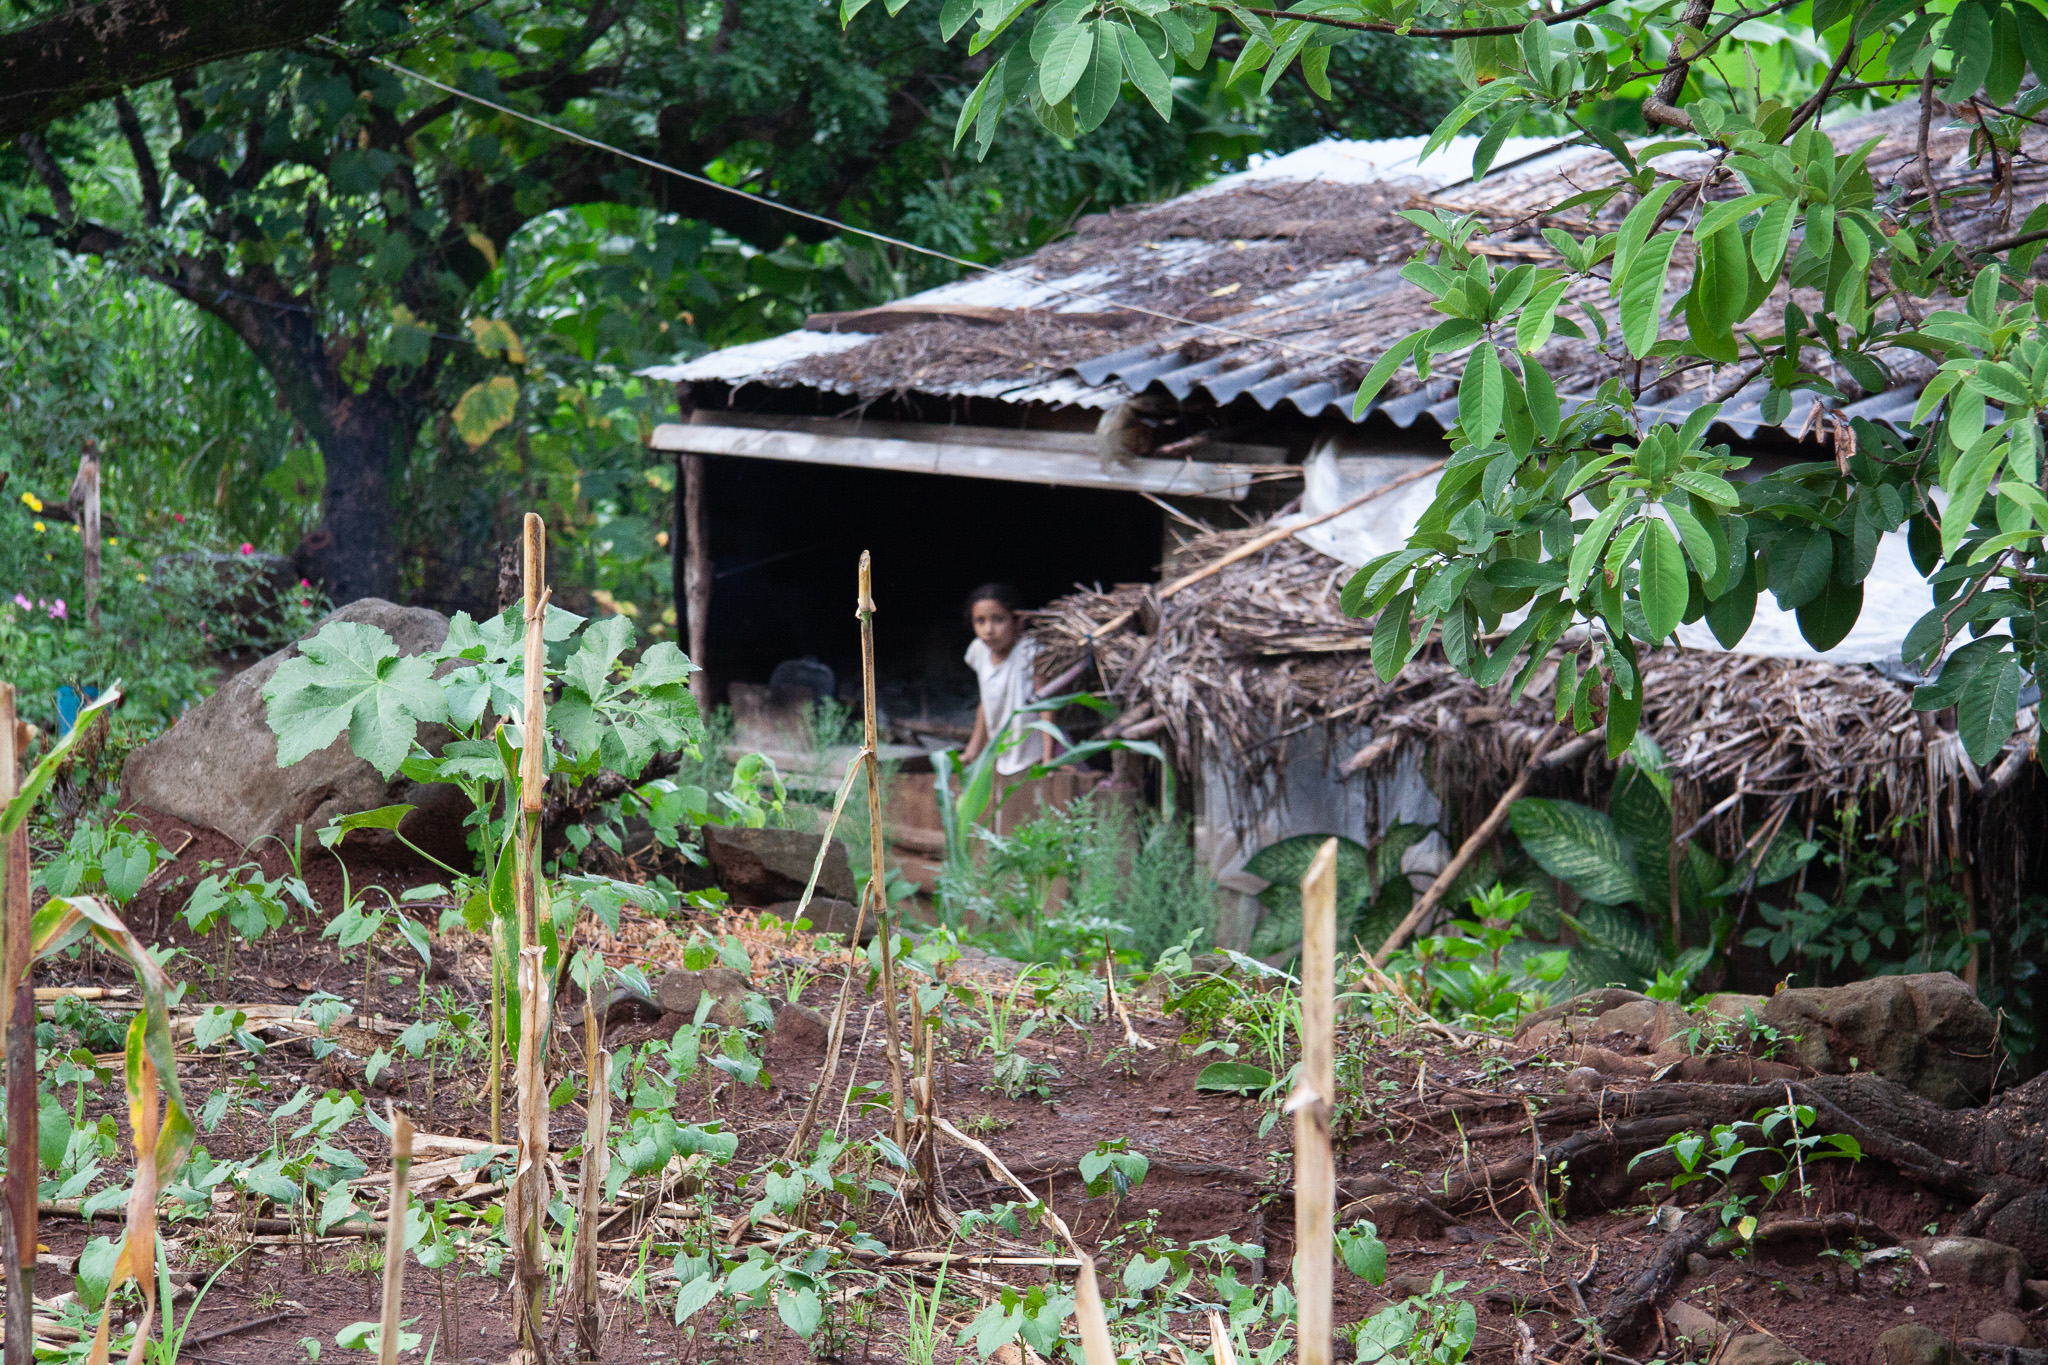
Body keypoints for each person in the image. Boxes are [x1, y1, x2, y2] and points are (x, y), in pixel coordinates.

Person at [961, 583, 1055, 776]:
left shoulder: (1030, 651)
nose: (988, 630)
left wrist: (1048, 759)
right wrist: (973, 749)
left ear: (1018, 620)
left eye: (998, 619)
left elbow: (1047, 704)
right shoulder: (978, 650)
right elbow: (985, 703)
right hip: (1003, 754)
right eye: (980, 621)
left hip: (1033, 754)